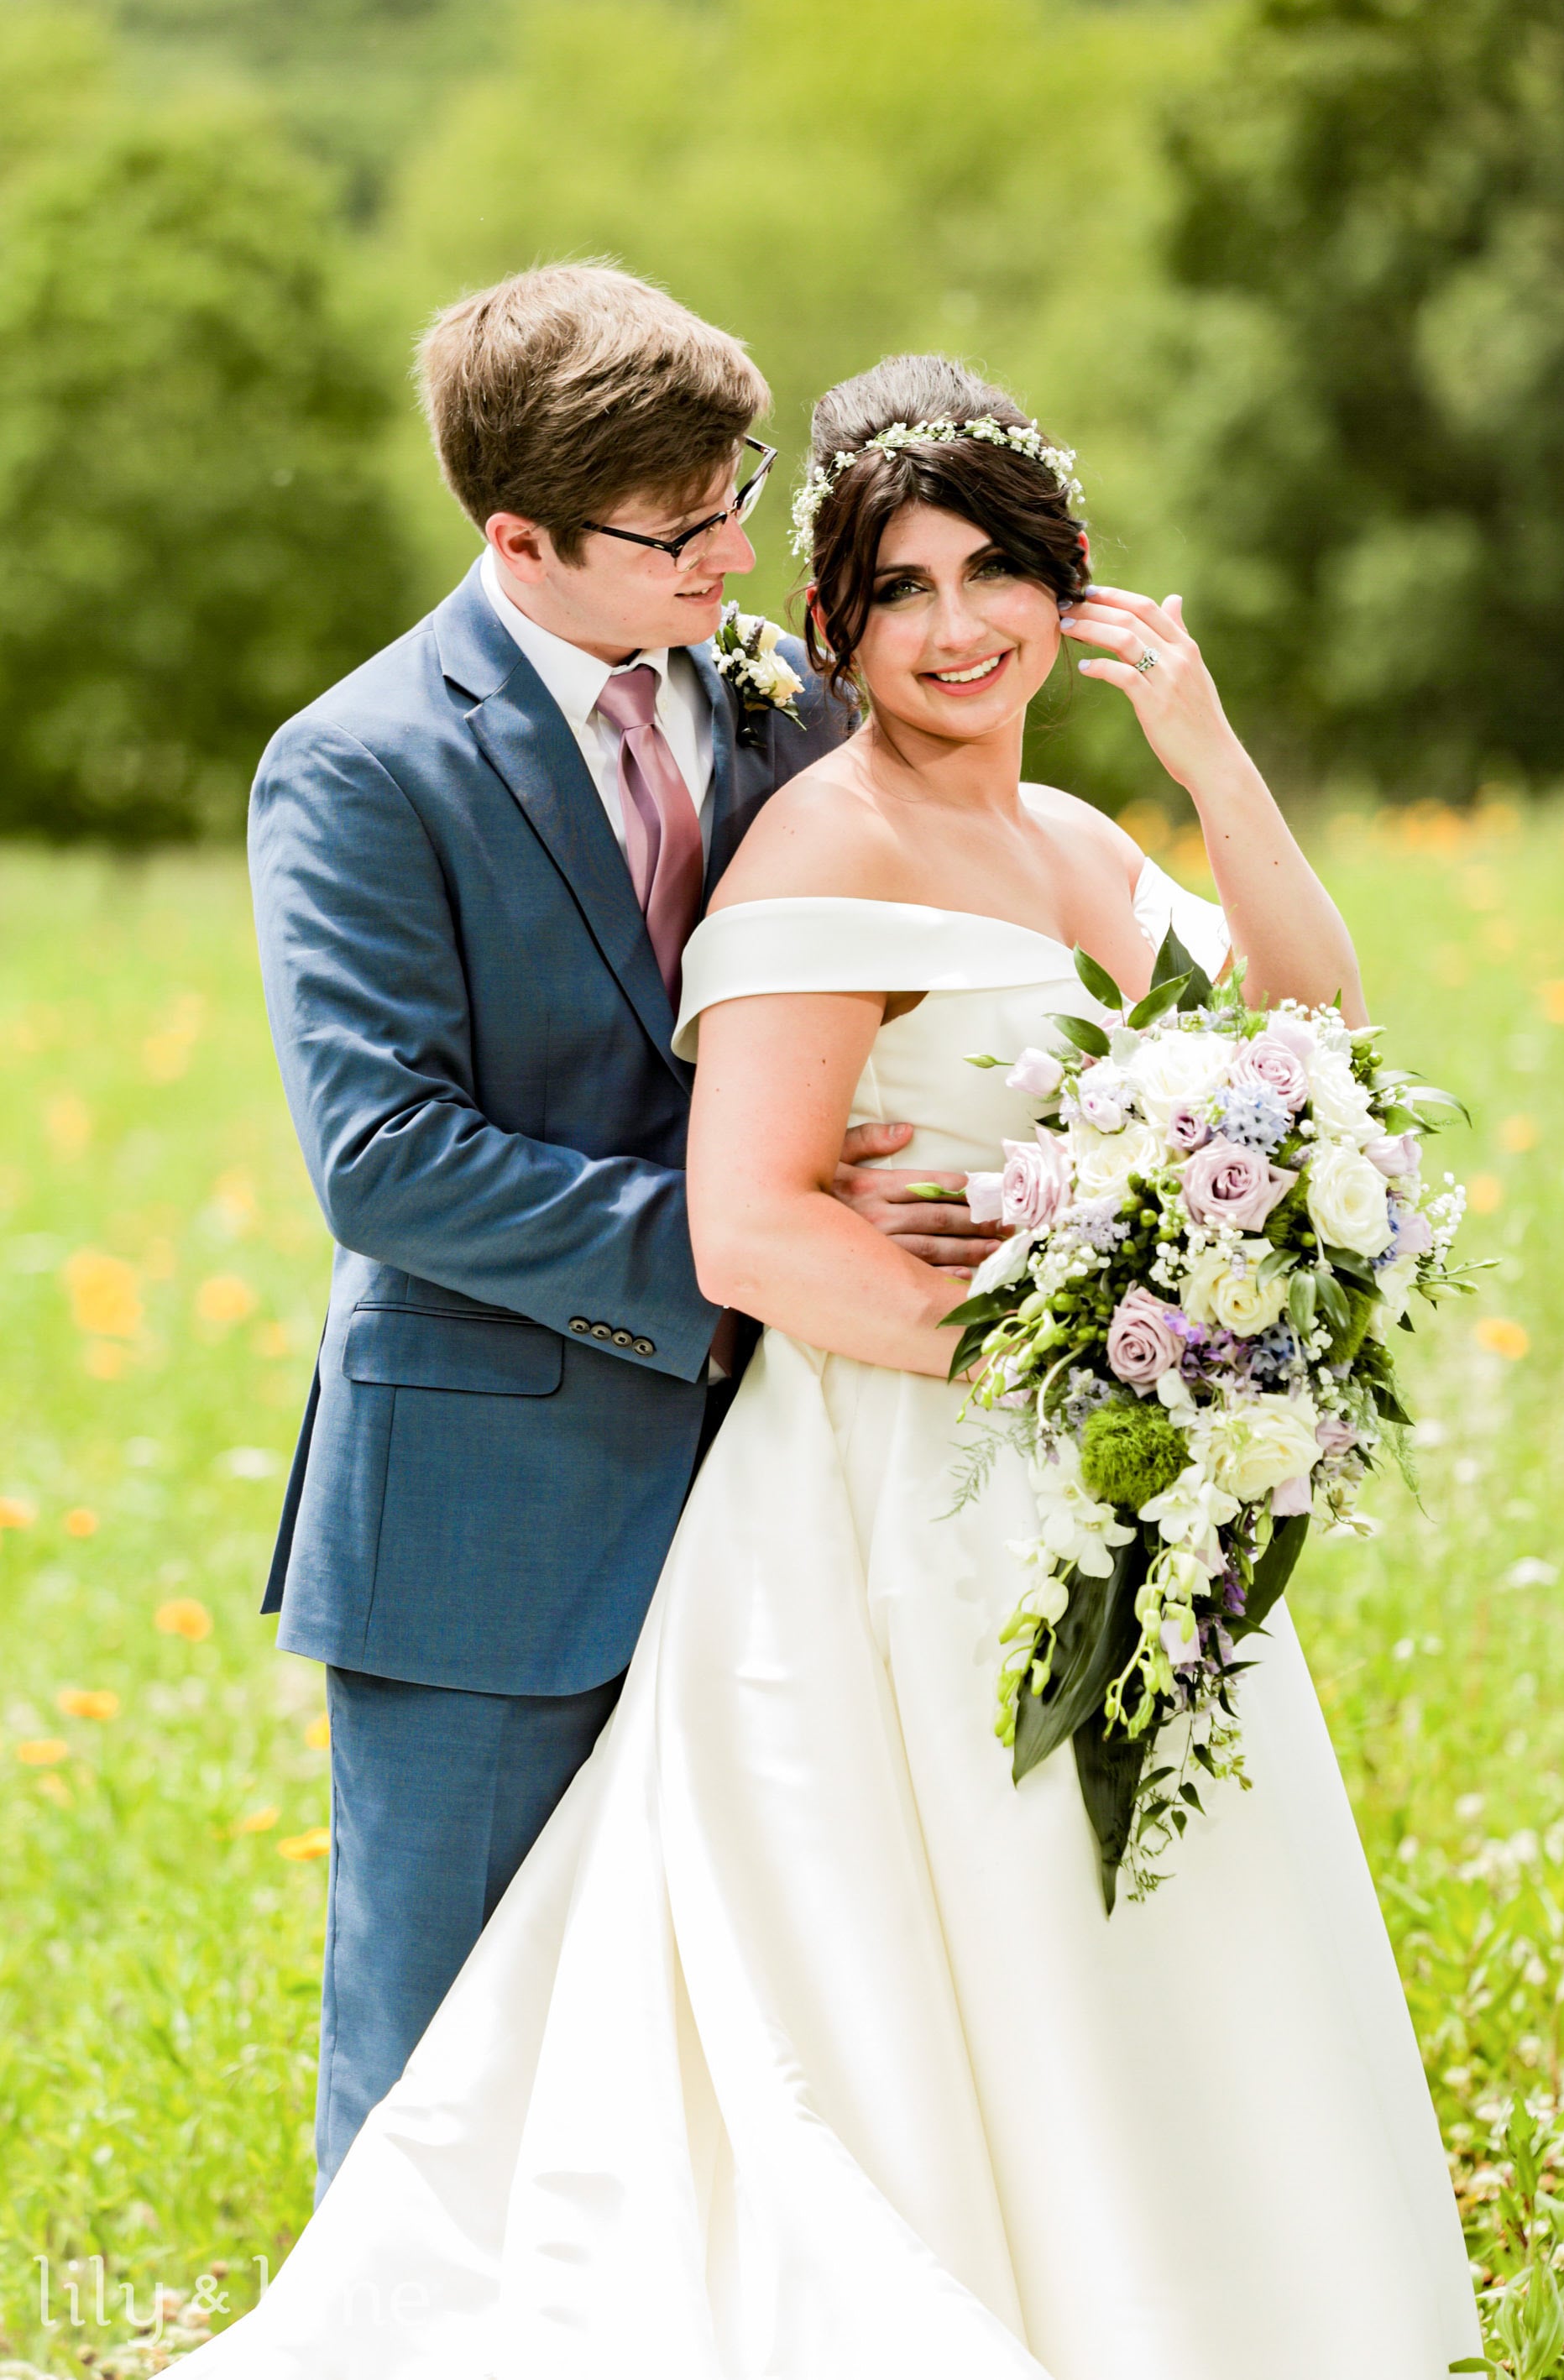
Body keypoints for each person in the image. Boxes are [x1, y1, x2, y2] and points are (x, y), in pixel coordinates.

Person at [191, 355, 1481, 2376]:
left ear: (1067, 580)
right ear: (839, 625)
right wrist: (1079, 1343)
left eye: (994, 571)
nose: (954, 624)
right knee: (838, 1983)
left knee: (1122, 1942)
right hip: (903, 1484)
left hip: (1106, 1486)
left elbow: (1313, 1029)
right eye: (898, 588)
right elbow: (750, 1228)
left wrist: (1213, 754)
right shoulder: (810, 842)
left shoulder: (1069, 830)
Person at [246, 269, 989, 2205]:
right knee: (439, 2064)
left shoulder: (773, 704)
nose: (736, 554)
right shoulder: (360, 764)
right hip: (490, 1509)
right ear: (521, 542)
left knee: (740, 2039)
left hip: (788, 1490)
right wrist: (742, 1236)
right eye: (681, 531)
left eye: (735, 492)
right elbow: (385, 1159)